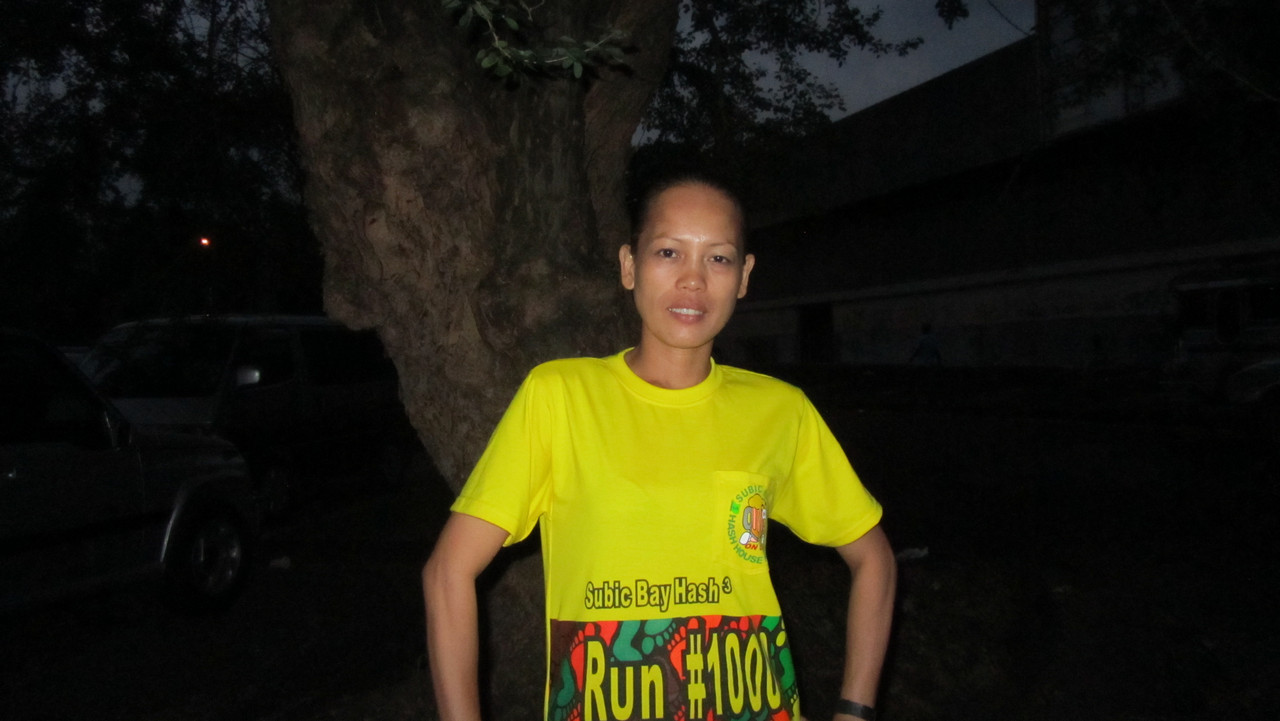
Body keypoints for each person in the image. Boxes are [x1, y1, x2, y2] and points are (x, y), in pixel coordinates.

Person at [423, 177, 896, 721]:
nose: (693, 279)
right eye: (669, 252)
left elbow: (874, 558)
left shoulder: (780, 411)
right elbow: (447, 572)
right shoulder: (560, 396)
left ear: (743, 278)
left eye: (718, 258)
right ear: (629, 266)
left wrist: (854, 711)